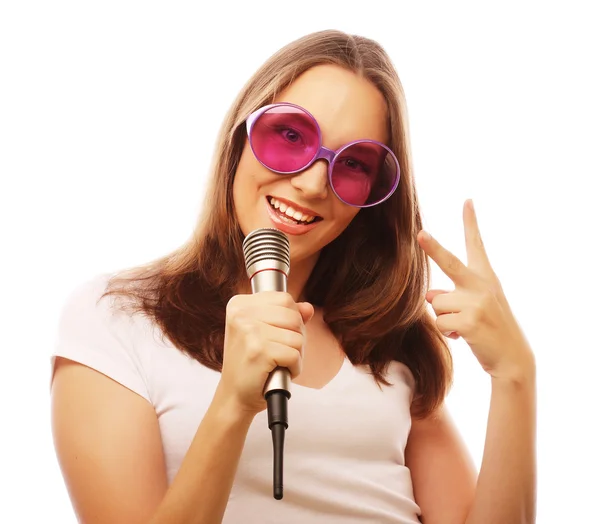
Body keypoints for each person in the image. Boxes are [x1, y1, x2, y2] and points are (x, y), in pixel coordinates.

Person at [49, 30, 537, 524]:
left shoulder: (389, 347)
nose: (310, 184)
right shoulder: (117, 321)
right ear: (240, 134)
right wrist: (233, 405)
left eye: (352, 164)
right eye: (290, 136)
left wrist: (515, 374)